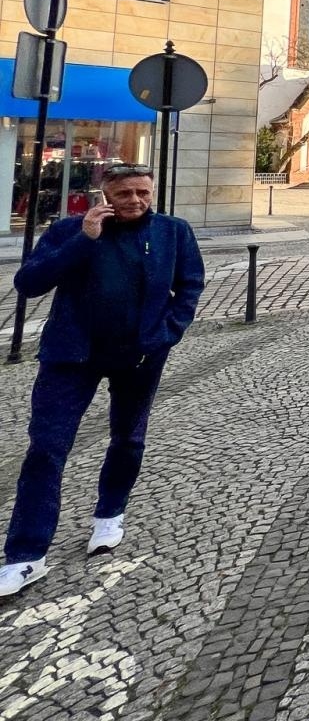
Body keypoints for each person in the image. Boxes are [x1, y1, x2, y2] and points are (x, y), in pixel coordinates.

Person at [0, 165, 205, 599]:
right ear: (104, 193)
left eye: (142, 192)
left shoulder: (173, 231)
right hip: (70, 357)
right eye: (124, 193)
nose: (134, 200)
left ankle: (109, 515)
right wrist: (83, 240)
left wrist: (169, 332)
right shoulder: (71, 230)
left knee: (128, 439)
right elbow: (29, 283)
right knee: (46, 449)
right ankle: (25, 555)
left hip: (140, 355)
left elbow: (190, 285)